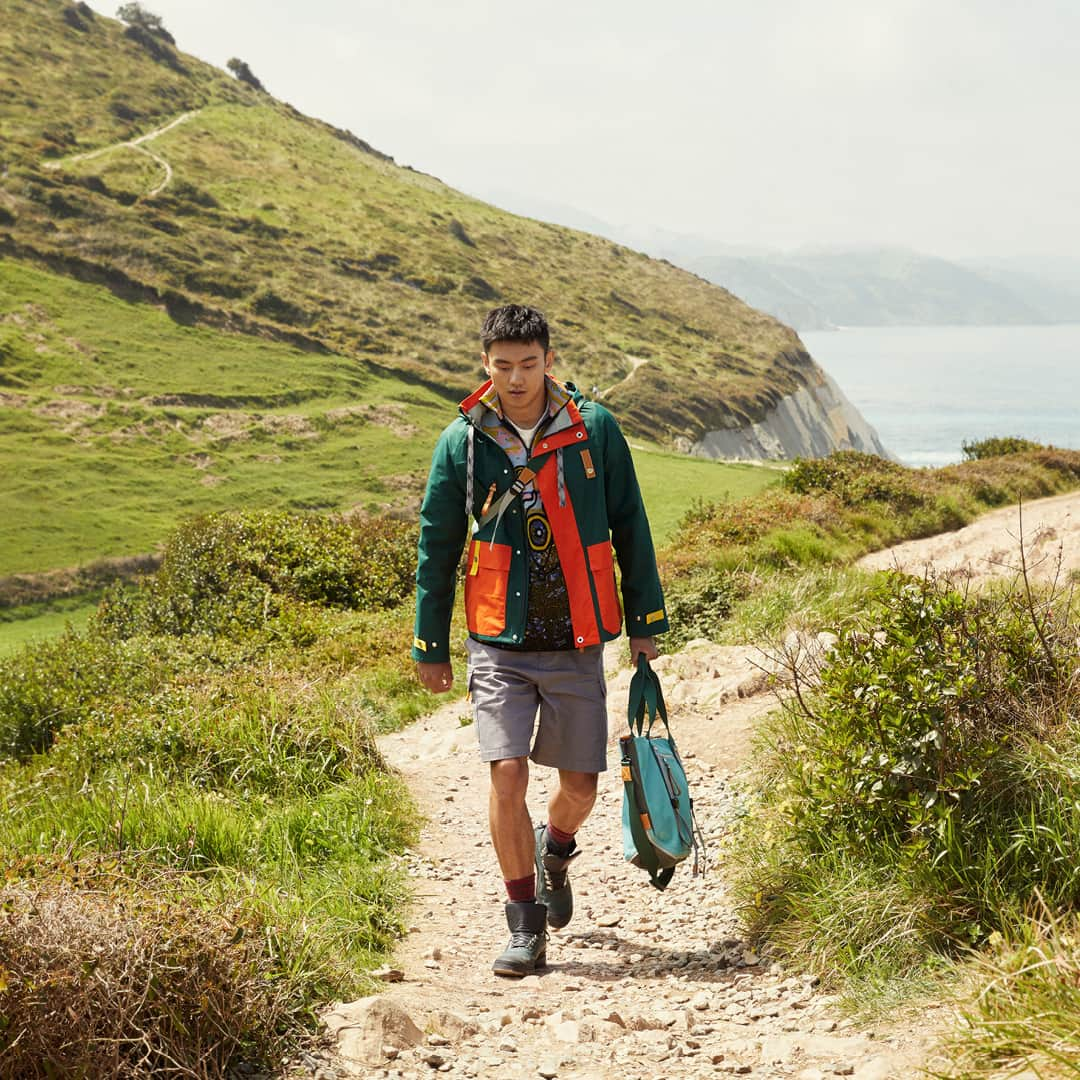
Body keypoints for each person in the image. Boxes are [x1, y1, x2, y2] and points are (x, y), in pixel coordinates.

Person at [412, 304, 668, 977]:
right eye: (503, 366)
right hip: (497, 634)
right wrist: (428, 643)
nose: (517, 378)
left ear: (549, 361)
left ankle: (556, 852)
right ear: (485, 365)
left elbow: (631, 525)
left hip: (577, 633)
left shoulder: (596, 431)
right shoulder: (461, 442)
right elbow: (437, 546)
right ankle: (523, 924)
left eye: (529, 364)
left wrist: (646, 624)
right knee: (507, 772)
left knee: (580, 786)